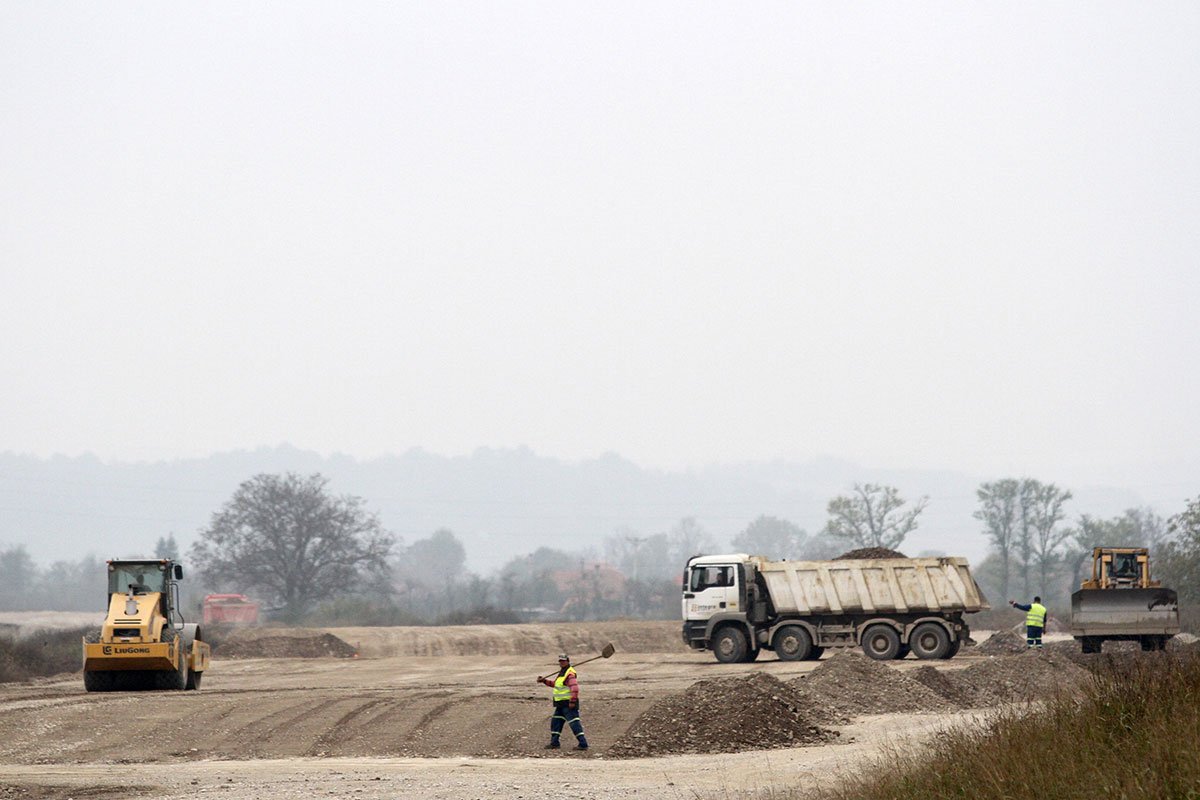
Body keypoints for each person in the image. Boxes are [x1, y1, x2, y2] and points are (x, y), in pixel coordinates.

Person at [536, 653, 589, 751]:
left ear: (568, 661)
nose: (562, 663)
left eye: (564, 661)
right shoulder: (562, 673)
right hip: (560, 704)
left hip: (568, 704)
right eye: (560, 661)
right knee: (555, 722)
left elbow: (574, 688)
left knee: (574, 724)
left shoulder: (569, 673)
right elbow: (556, 684)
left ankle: (583, 744)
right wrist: (544, 681)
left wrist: (572, 701)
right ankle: (554, 743)